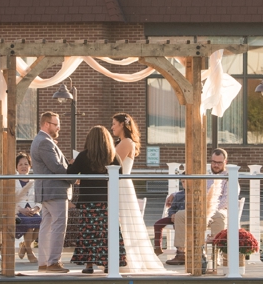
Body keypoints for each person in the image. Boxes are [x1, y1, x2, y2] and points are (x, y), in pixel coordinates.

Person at [109, 113, 165, 273]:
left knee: (124, 220)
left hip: (121, 185)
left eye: (114, 124)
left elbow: (112, 163)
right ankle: (119, 257)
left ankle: (127, 259)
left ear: (122, 125)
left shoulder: (126, 142)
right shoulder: (121, 142)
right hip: (118, 184)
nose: (112, 127)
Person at [67, 125, 121, 273]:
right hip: (107, 200)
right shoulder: (112, 155)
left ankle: (89, 265)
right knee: (105, 231)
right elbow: (121, 172)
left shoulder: (84, 156)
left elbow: (70, 174)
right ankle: (108, 263)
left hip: (87, 200)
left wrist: (72, 164)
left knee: (88, 231)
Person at [165, 149, 231, 267]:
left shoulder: (229, 179)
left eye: (219, 162)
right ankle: (181, 253)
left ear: (225, 162)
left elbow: (226, 201)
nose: (215, 165)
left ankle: (219, 255)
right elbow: (191, 189)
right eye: (213, 162)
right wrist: (175, 194)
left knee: (218, 215)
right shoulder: (205, 175)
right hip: (200, 210)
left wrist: (210, 209)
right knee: (180, 214)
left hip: (218, 210)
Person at [30, 111, 71, 273]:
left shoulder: (42, 140)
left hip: (46, 191)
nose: (59, 127)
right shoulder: (45, 142)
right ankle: (53, 262)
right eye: (56, 124)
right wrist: (74, 175)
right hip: (54, 190)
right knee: (58, 225)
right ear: (46, 124)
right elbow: (56, 167)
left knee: (46, 226)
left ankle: (44, 262)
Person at [14, 152, 41, 260]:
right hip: (19, 212)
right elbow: (10, 200)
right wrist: (21, 209)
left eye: (26, 164)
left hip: (32, 211)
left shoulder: (35, 181)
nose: (23, 167)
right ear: (16, 167)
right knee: (29, 224)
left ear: (30, 166)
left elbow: (40, 200)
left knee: (41, 221)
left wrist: (35, 209)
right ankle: (30, 252)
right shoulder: (13, 181)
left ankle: (25, 246)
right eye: (20, 164)